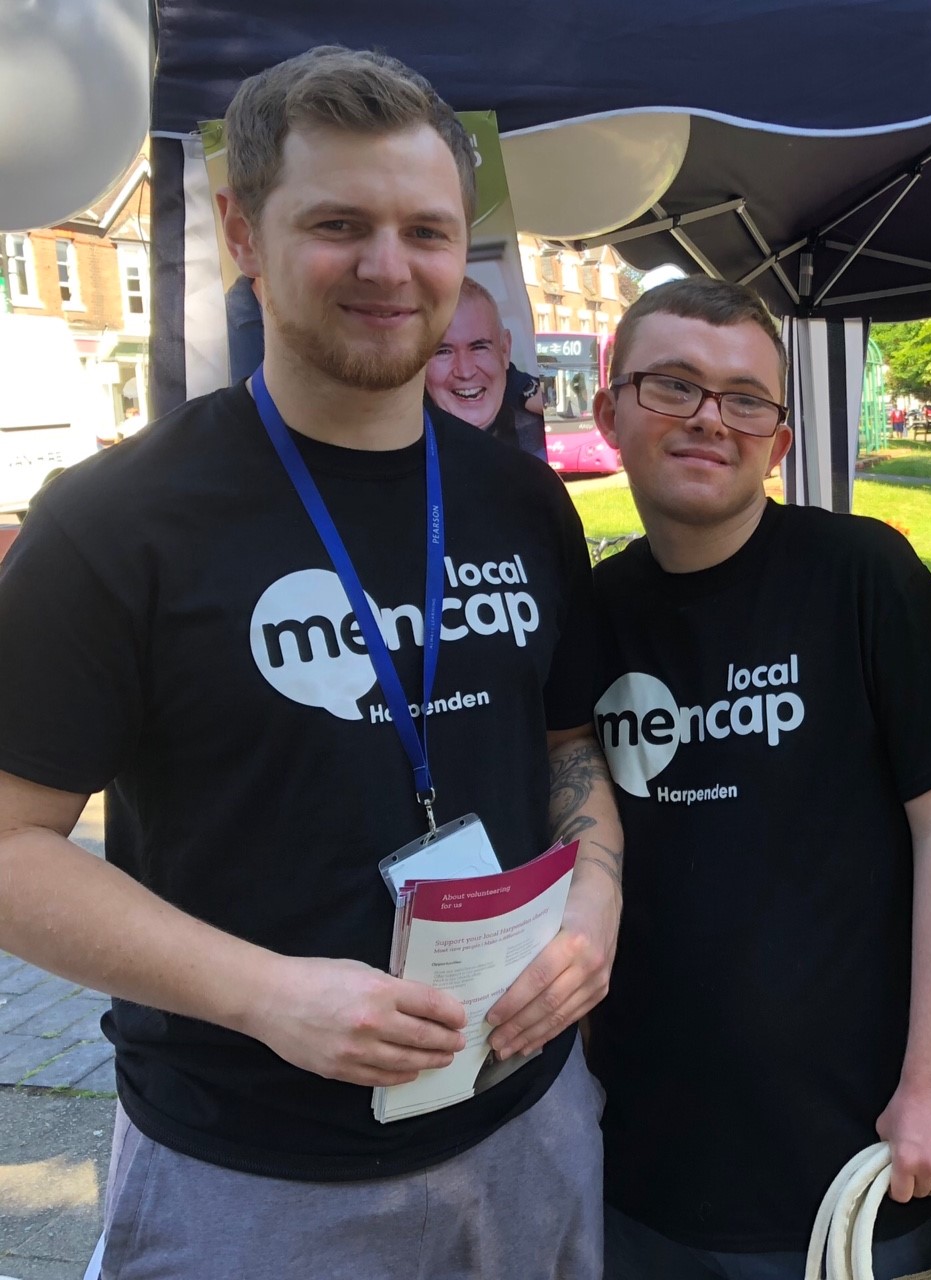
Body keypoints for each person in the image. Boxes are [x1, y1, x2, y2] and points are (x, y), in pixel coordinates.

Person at [0, 46, 621, 1279]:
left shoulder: (520, 499)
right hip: (252, 1172)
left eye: (425, 231)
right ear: (242, 230)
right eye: (339, 224)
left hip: (529, 1119)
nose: (389, 268)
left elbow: (567, 746)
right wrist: (263, 993)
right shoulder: (116, 519)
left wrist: (596, 899)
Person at [586, 277, 931, 1280]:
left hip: (857, 1165)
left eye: (745, 397)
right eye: (673, 385)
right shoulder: (587, 610)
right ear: (610, 409)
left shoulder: (859, 573)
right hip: (644, 1179)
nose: (710, 417)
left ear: (778, 441)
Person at [425, 276, 546, 458]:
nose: (465, 372)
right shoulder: (393, 449)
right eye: (443, 351)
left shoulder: (544, 436)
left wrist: (523, 387)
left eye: (479, 347)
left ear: (505, 350)